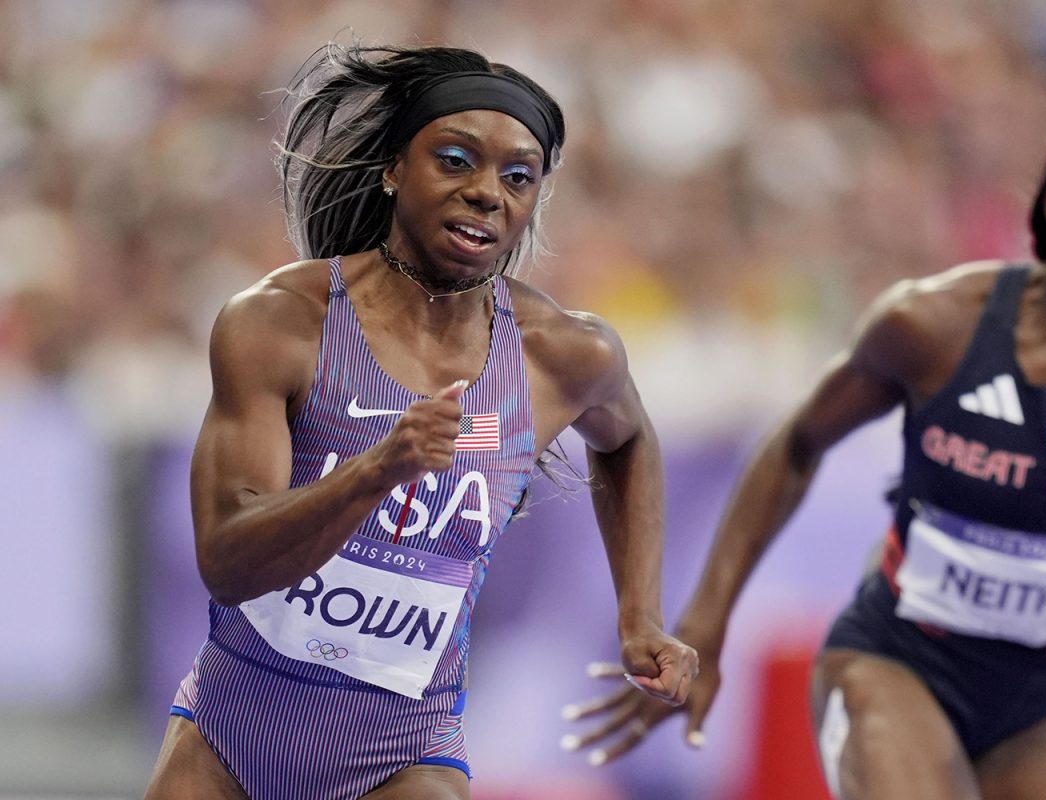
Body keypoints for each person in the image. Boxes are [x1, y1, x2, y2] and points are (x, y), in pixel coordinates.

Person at [566, 93, 1046, 799]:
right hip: (898, 661)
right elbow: (796, 446)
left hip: (1040, 701)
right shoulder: (935, 324)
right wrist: (705, 629)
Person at [143, 40, 698, 800]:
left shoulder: (563, 354)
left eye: (517, 177)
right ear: (393, 169)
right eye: (456, 160)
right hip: (227, 739)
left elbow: (629, 440)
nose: (486, 193)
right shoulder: (280, 324)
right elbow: (230, 564)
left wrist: (639, 615)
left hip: (402, 757)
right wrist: (376, 469)